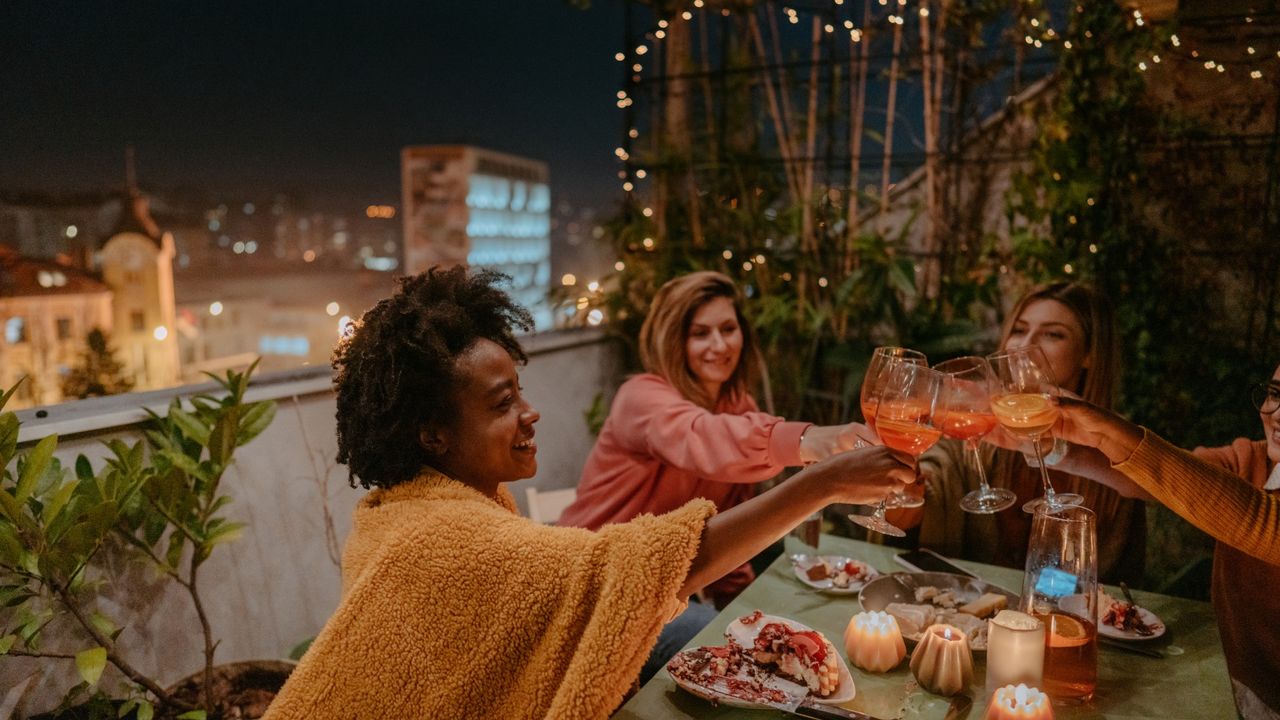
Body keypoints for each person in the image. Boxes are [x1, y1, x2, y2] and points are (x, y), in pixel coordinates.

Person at [263, 267, 912, 720]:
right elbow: (650, 552)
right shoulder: (444, 534)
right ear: (433, 435)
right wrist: (822, 478)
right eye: (502, 403)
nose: (531, 413)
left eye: (728, 328)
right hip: (611, 575)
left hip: (630, 586)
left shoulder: (429, 507)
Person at [559, 271, 875, 605]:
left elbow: (731, 522)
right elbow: (701, 438)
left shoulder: (739, 407)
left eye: (728, 329)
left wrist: (738, 606)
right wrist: (810, 440)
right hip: (591, 580)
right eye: (700, 334)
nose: (719, 345)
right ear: (674, 342)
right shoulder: (640, 397)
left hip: (659, 586)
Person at [1049, 372, 1280, 720]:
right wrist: (1052, 443)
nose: (1276, 412)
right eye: (1275, 393)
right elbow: (1161, 480)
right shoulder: (1252, 460)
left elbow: (1257, 519)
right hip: (1230, 691)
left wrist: (1108, 431)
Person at [899, 282, 1146, 584]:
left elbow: (1121, 574)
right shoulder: (985, 430)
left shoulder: (1121, 445)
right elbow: (924, 496)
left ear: (1090, 355)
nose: (1024, 346)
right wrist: (904, 483)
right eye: (1019, 330)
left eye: (1052, 334)